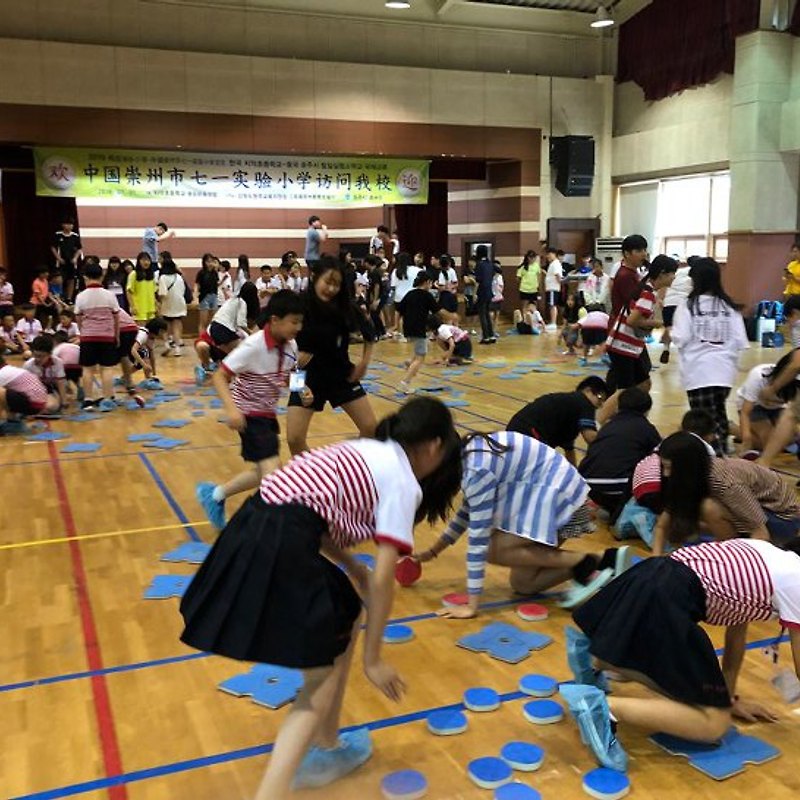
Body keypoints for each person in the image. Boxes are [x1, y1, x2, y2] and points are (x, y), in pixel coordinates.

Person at [180, 398, 462, 797]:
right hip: (281, 539)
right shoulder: (401, 479)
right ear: (434, 446)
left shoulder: (365, 449)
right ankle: (274, 790)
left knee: (342, 618)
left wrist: (353, 567)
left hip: (252, 525)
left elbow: (308, 510)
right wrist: (374, 659)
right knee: (322, 676)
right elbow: (385, 579)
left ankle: (328, 745)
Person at [563, 537, 800, 773]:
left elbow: (736, 636)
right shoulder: (795, 580)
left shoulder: (769, 554)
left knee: (639, 672)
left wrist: (726, 700)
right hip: (669, 598)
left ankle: (594, 655)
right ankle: (602, 708)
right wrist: (720, 709)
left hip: (651, 574)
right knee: (714, 726)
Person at [416, 432, 629, 618]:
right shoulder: (466, 457)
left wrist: (472, 605)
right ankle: (605, 559)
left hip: (563, 500)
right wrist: (433, 551)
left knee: (492, 549)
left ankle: (585, 563)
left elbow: (478, 542)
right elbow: (467, 512)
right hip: (553, 498)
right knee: (524, 584)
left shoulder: (475, 470)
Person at [196, 291, 308, 530]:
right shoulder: (253, 345)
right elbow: (220, 376)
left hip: (267, 414)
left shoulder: (292, 345)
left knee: (262, 472)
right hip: (249, 414)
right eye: (294, 322)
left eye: (301, 322)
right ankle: (265, 530)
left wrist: (302, 388)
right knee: (273, 476)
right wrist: (232, 410)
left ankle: (215, 495)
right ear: (275, 320)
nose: (298, 327)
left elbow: (289, 375)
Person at [651, 431, 800, 556]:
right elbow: (662, 525)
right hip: (754, 513)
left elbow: (760, 534)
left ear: (687, 466)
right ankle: (729, 547)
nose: (666, 474)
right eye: (664, 467)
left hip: (782, 518)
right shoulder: (690, 477)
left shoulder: (726, 484)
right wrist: (654, 561)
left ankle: (729, 556)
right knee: (684, 519)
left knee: (708, 508)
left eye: (669, 467)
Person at [286, 257, 377, 455]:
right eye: (328, 282)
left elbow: (370, 333)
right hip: (304, 378)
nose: (332, 289)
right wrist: (294, 357)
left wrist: (364, 363)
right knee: (294, 438)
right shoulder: (298, 304)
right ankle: (314, 476)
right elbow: (277, 340)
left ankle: (348, 466)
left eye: (337, 284)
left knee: (370, 428)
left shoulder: (345, 307)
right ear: (314, 277)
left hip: (341, 374)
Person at [670, 257, 748, 456]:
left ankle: (712, 459)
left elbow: (681, 337)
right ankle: (720, 454)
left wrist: (670, 332)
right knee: (718, 414)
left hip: (699, 372)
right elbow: (741, 340)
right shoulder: (729, 306)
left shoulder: (688, 306)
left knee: (703, 420)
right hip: (724, 374)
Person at [605, 255, 677, 406]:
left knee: (644, 384)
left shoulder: (647, 288)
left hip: (629, 345)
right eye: (672, 273)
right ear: (662, 273)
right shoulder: (647, 293)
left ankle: (632, 414)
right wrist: (655, 322)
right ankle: (601, 418)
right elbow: (632, 320)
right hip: (622, 345)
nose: (674, 277)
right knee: (623, 390)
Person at [578, 387, 661, 518]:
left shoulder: (607, 427)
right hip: (620, 487)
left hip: (589, 485)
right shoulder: (646, 428)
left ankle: (609, 508)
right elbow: (658, 458)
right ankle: (621, 512)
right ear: (646, 410)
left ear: (618, 407)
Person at [507, 376, 608, 466]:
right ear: (587, 390)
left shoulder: (569, 410)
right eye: (600, 398)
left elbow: (569, 451)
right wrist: (612, 441)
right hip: (529, 433)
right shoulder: (584, 402)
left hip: (514, 433)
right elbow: (590, 437)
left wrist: (575, 476)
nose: (600, 405)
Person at [74, 261, 120, 412]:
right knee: (106, 369)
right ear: (102, 276)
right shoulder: (109, 295)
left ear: (85, 277)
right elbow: (116, 318)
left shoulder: (80, 296)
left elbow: (78, 319)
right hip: (107, 336)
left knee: (87, 369)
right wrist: (116, 335)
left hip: (88, 337)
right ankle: (107, 399)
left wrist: (83, 333)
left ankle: (88, 400)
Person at [194, 283, 260, 383]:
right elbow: (241, 323)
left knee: (235, 354)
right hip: (223, 329)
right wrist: (250, 333)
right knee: (239, 354)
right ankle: (239, 378)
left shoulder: (232, 300)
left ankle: (226, 375)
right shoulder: (242, 302)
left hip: (216, 328)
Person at [396, 273, 440, 394]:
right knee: (421, 356)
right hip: (419, 329)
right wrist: (451, 316)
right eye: (430, 283)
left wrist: (395, 325)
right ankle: (405, 383)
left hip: (408, 329)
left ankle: (410, 363)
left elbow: (398, 310)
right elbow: (438, 311)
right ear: (426, 282)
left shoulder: (410, 294)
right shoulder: (427, 296)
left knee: (419, 352)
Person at [736, 359, 788, 456]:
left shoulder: (795, 381)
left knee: (787, 438)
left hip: (778, 408)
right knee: (770, 444)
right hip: (754, 405)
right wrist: (746, 439)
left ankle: (751, 434)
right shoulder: (758, 376)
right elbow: (745, 412)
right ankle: (733, 429)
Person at [659, 255, 694, 363]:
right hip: (682, 304)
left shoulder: (673, 274)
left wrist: (661, 300)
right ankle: (683, 351)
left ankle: (666, 348)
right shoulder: (693, 274)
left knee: (669, 328)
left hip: (669, 303)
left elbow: (663, 287)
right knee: (683, 330)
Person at [0, 356, 57, 421]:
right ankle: (12, 417)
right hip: (39, 403)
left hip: (33, 406)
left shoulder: (2, 373)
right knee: (7, 391)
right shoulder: (9, 369)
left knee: (1, 392)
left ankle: (8, 419)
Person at [24, 334, 68, 412]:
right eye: (35, 355)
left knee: (52, 406)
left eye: (41, 356)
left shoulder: (58, 362)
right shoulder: (28, 365)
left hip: (50, 388)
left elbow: (60, 382)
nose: (37, 359)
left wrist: (64, 402)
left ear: (50, 354)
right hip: (34, 389)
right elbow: (25, 386)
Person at [609, 234, 648, 321]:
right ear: (627, 254)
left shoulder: (632, 272)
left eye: (645, 250)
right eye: (639, 251)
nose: (644, 254)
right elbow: (634, 307)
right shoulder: (626, 276)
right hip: (622, 327)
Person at [156, 257, 188, 355]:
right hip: (179, 303)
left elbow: (162, 293)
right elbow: (183, 290)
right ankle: (177, 348)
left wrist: (158, 303)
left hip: (167, 304)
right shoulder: (179, 277)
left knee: (165, 325)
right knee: (177, 326)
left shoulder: (163, 277)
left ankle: (167, 344)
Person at [389, 252, 420, 341]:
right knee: (410, 316)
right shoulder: (416, 270)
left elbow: (393, 286)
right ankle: (412, 334)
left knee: (401, 316)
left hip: (399, 297)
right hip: (412, 296)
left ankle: (402, 334)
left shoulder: (396, 271)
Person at [51, 218, 83, 302]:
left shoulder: (75, 236)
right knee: (59, 279)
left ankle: (69, 298)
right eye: (67, 224)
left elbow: (79, 249)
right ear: (63, 225)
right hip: (61, 261)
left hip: (71, 262)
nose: (69, 226)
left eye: (71, 224)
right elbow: (53, 248)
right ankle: (59, 296)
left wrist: (75, 258)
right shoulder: (58, 235)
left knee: (71, 280)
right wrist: (58, 258)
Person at [129, 318, 168, 382]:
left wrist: (154, 374)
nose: (163, 334)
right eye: (163, 332)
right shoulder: (143, 334)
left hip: (130, 347)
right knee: (143, 354)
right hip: (124, 346)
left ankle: (125, 377)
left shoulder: (151, 338)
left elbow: (152, 356)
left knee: (143, 357)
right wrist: (144, 365)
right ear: (158, 330)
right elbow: (133, 350)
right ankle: (126, 377)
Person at [127, 252, 158, 323]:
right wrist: (132, 306)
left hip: (150, 308)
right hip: (139, 309)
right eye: (144, 260)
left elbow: (153, 292)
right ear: (139, 261)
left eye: (148, 260)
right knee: (141, 332)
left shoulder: (151, 275)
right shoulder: (133, 274)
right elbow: (129, 292)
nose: (146, 262)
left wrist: (156, 304)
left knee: (151, 332)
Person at [474, 245, 495, 344]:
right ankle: (491, 335)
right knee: (487, 314)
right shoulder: (490, 264)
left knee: (482, 314)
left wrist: (474, 293)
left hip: (482, 291)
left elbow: (478, 281)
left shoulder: (479, 264)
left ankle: (485, 336)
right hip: (489, 291)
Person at [195, 253, 221, 333]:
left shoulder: (215, 272)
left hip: (214, 296)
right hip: (204, 297)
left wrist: (216, 266)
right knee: (203, 321)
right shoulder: (201, 273)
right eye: (208, 261)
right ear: (204, 262)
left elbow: (217, 283)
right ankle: (202, 338)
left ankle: (211, 337)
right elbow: (197, 284)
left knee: (213, 320)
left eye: (211, 261)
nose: (210, 263)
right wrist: (195, 296)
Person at [543, 247, 563, 331]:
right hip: (551, 288)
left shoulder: (555, 263)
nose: (547, 256)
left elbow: (558, 276)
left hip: (553, 288)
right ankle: (552, 322)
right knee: (551, 305)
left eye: (549, 254)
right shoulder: (553, 263)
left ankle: (553, 323)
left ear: (553, 254)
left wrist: (561, 282)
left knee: (552, 305)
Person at [516, 250, 541, 317]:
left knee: (534, 306)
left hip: (534, 289)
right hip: (524, 289)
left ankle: (535, 320)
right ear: (527, 257)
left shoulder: (536, 266)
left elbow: (538, 277)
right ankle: (525, 320)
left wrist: (538, 286)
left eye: (533, 257)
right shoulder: (522, 267)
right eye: (530, 257)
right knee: (524, 306)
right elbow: (518, 278)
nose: (532, 259)